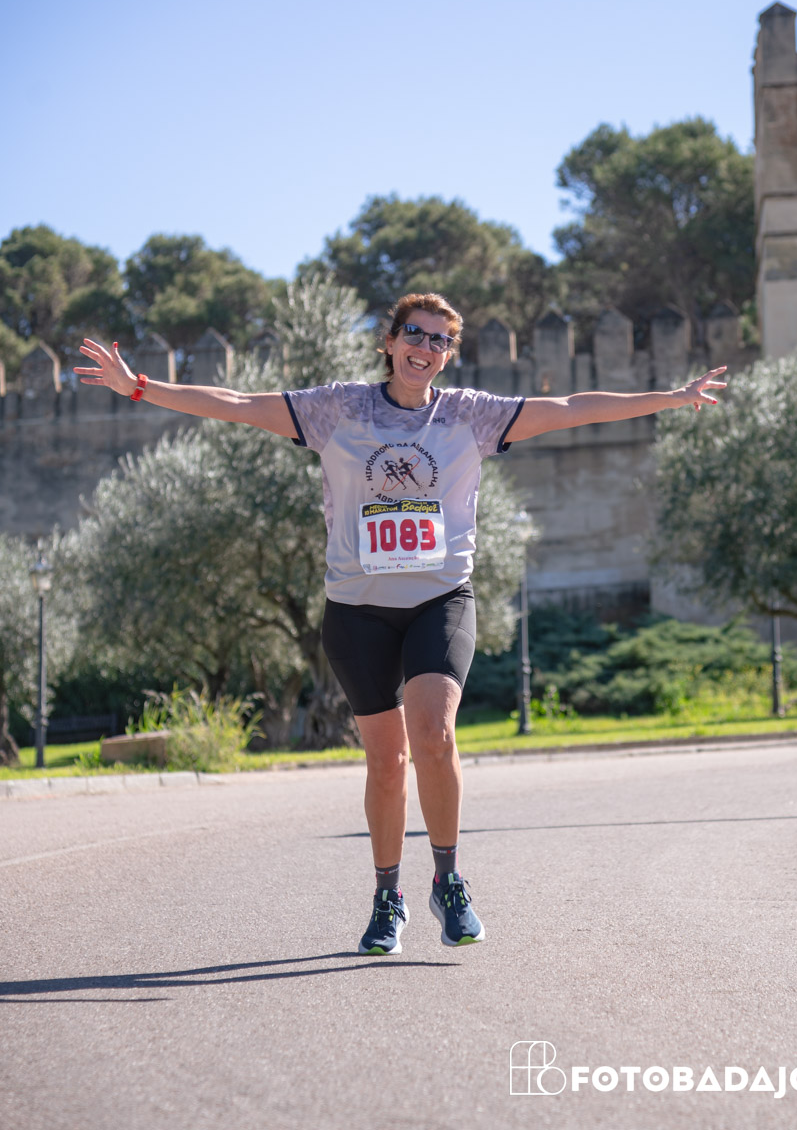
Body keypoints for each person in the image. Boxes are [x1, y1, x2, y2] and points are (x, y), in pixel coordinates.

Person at [75, 292, 725, 956]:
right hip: (356, 610)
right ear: (389, 341)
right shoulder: (338, 409)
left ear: (449, 355)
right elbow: (238, 403)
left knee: (435, 735)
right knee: (387, 763)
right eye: (415, 333)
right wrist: (140, 387)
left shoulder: (470, 415)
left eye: (441, 340)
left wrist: (672, 397)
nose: (426, 347)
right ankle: (388, 896)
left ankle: (448, 880)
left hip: (440, 599)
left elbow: (569, 408)